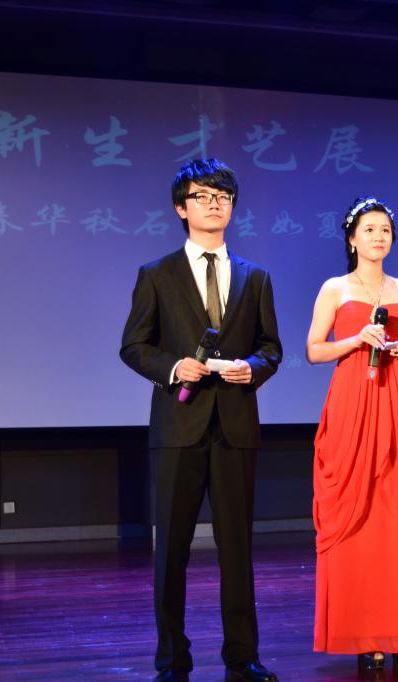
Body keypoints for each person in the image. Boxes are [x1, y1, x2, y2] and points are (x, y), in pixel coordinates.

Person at [120, 159, 282, 682]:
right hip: (179, 425)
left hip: (235, 425)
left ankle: (243, 656)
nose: (214, 204)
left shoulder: (256, 276)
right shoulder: (156, 274)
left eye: (223, 197)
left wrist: (251, 368)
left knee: (238, 549)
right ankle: (172, 659)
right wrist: (173, 368)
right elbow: (133, 346)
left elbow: (271, 348)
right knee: (171, 550)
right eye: (203, 196)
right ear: (181, 207)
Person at [307, 196, 398, 674]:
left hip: (397, 401)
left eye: (385, 230)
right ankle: (364, 635)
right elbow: (314, 350)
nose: (378, 237)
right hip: (353, 402)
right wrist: (354, 340)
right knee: (357, 514)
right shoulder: (335, 288)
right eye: (369, 229)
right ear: (351, 239)